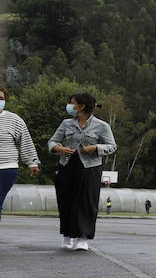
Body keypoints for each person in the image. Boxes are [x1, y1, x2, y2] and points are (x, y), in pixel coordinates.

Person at [48, 92, 117, 251]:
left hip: (90, 168)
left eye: (72, 103)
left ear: (82, 105)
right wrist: (58, 148)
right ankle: (67, 235)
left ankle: (83, 237)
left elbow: (112, 146)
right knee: (66, 199)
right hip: (67, 164)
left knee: (87, 201)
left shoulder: (102, 126)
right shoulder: (66, 124)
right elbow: (52, 141)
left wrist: (96, 148)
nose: (70, 106)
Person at [0, 86, 40, 220]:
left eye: (1, 98)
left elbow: (25, 141)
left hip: (5, 169)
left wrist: (32, 162)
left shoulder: (14, 120)